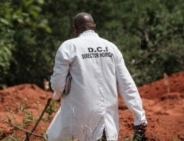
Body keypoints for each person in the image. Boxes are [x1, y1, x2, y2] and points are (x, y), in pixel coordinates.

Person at [45, 12, 147, 141]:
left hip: (78, 116)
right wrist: (139, 117)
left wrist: (56, 95)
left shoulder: (68, 47)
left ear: (75, 28)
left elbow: (58, 84)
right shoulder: (111, 48)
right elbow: (127, 85)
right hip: (107, 119)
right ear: (94, 26)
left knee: (54, 137)